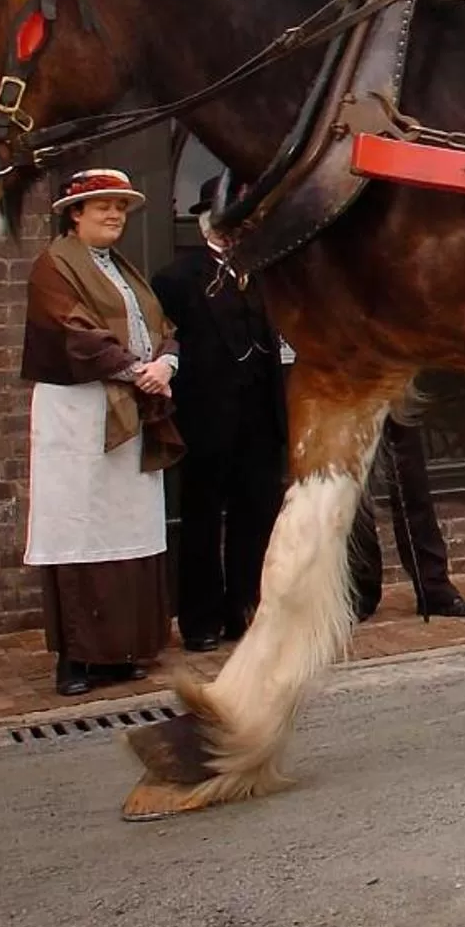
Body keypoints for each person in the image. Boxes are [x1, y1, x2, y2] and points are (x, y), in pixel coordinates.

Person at [20, 168, 183, 698]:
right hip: (79, 413)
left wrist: (167, 364)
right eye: (102, 207)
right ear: (75, 214)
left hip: (128, 413)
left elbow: (162, 329)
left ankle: (120, 650)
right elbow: (74, 332)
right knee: (77, 524)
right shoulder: (54, 267)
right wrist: (141, 371)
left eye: (120, 207)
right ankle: (76, 658)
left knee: (125, 525)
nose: (115, 215)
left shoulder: (124, 271)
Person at [150, 181, 291, 653]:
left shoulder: (264, 272)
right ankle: (200, 619)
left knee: (257, 514)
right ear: (206, 220)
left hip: (259, 417)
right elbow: (166, 344)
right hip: (207, 417)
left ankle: (245, 609)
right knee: (203, 518)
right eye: (231, 217)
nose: (239, 228)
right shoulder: (176, 278)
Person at [348, 413, 465, 622]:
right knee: (353, 487)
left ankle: (432, 587)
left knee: (411, 476)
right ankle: (361, 588)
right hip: (343, 392)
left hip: (393, 388)